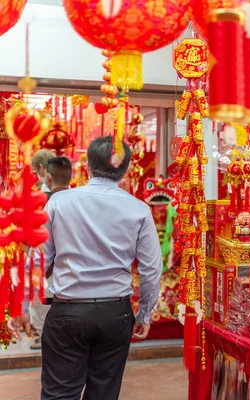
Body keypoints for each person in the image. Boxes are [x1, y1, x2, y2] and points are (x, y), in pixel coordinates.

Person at [8, 137, 162, 400]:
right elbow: (151, 269)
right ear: (125, 170)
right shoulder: (139, 209)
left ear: (88, 166)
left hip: (68, 311)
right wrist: (145, 313)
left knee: (59, 393)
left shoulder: (59, 202)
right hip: (116, 313)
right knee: (104, 393)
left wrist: (21, 305)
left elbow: (37, 259)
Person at [28, 156, 73, 350]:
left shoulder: (39, 201)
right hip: (71, 268)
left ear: (46, 174)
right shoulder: (80, 201)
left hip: (46, 264)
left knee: (42, 304)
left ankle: (42, 336)